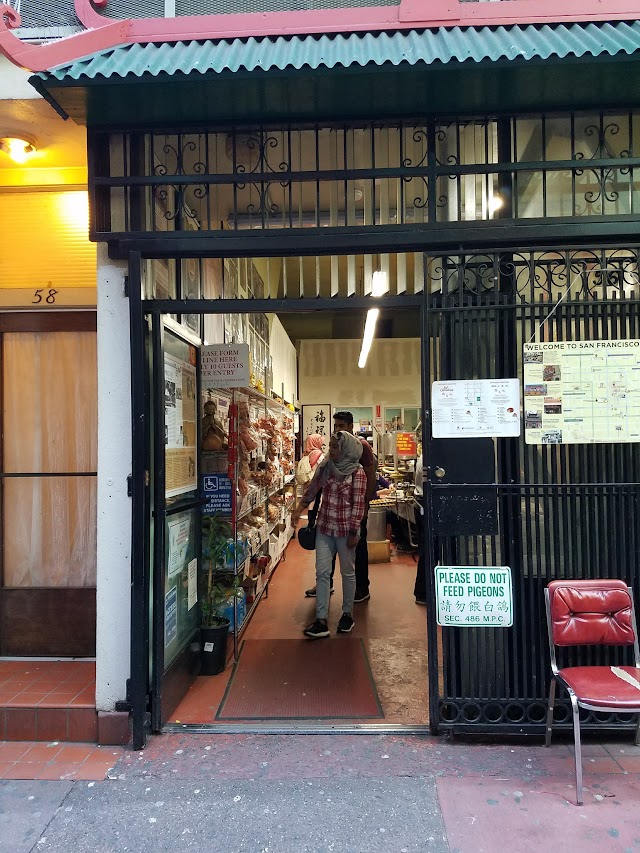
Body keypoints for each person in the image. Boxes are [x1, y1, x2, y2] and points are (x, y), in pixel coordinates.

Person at [292, 431, 367, 638]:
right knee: (322, 573)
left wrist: (354, 531)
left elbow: (358, 505)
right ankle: (321, 620)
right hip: (325, 528)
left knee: (347, 573)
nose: (330, 450)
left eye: (335, 447)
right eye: (330, 446)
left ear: (347, 449)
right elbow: (313, 489)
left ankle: (347, 615)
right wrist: (299, 509)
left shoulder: (357, 472)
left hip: (346, 531)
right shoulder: (326, 466)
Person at [304, 411, 376, 602]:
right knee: (329, 548)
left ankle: (362, 588)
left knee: (358, 549)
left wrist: (365, 505)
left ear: (351, 427)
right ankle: (325, 584)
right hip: (332, 509)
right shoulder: (335, 445)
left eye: (341, 426)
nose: (337, 429)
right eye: (335, 426)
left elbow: (370, 474)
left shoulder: (360, 446)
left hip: (354, 507)